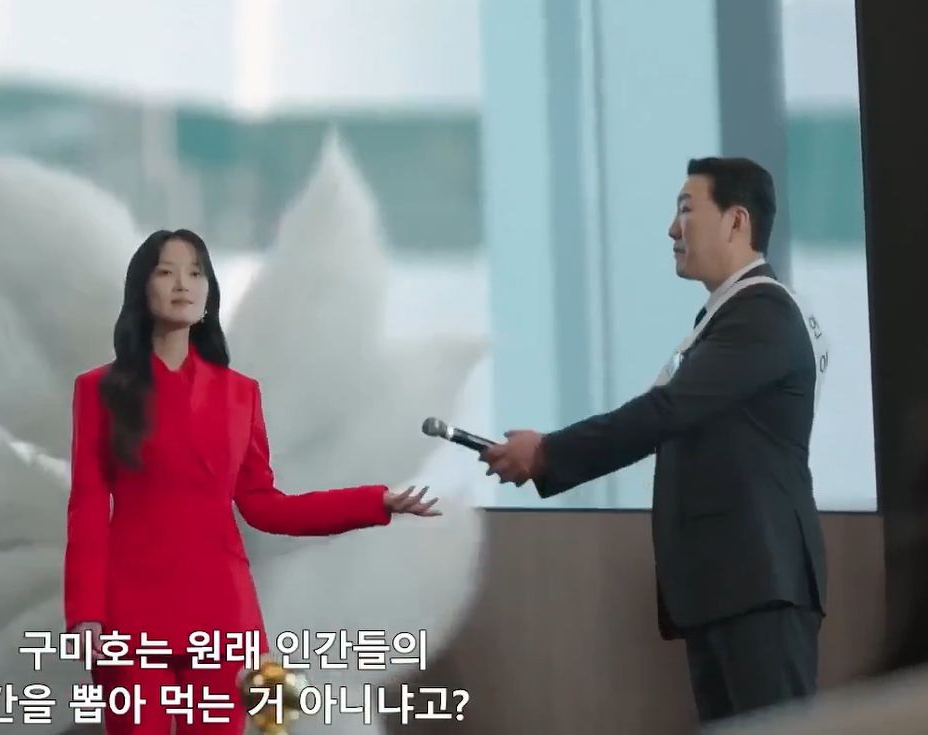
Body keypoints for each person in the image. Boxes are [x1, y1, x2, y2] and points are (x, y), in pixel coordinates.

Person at [481, 157, 829, 725]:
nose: (672, 229)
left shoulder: (761, 312)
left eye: (686, 210)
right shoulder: (724, 317)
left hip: (760, 583)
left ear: (736, 221)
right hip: (729, 586)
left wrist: (548, 453)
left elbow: (665, 411)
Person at [64, 228, 440, 735]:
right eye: (167, 272)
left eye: (196, 273)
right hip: (131, 612)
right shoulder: (100, 390)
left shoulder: (239, 394)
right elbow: (88, 508)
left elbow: (265, 506)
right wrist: (85, 613)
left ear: (209, 291)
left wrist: (374, 501)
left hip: (221, 612)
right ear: (141, 289)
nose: (183, 284)